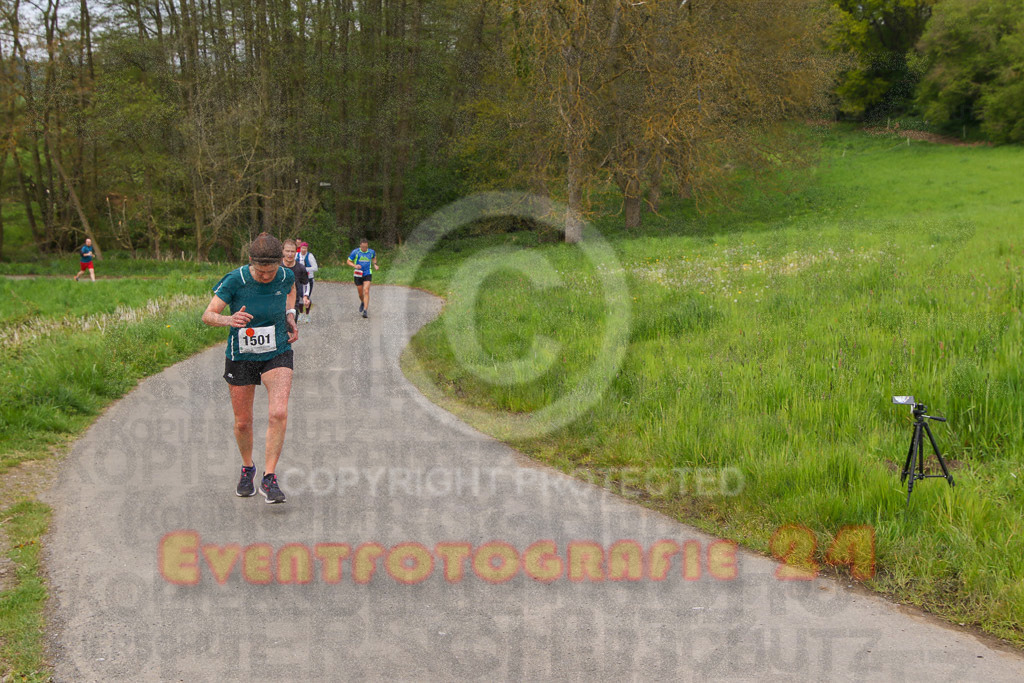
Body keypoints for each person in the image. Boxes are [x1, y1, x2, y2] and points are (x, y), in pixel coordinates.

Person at [202, 233, 298, 504]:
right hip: (241, 355)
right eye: (260, 271)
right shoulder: (236, 280)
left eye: (271, 270)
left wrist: (290, 316)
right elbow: (207, 315)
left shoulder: (285, 276)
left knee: (278, 412)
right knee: (243, 423)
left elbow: (291, 290)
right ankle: (248, 468)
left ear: (280, 262)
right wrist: (228, 320)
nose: (266, 276)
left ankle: (269, 477)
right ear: (250, 262)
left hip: (277, 351)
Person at [347, 238, 378, 319]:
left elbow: (374, 257)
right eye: (363, 247)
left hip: (367, 273)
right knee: (360, 293)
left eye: (366, 247)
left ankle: (365, 311)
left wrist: (375, 264)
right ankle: (362, 301)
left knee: (366, 291)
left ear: (367, 246)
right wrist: (354, 265)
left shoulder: (371, 252)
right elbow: (348, 261)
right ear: (360, 245)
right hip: (358, 274)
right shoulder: (355, 252)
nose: (364, 249)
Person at [282, 239, 310, 321]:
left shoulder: (301, 268)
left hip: (293, 305)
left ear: (296, 252)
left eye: (292, 251)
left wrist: (305, 296)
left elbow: (306, 283)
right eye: (287, 251)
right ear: (283, 251)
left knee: (290, 331)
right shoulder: (276, 267)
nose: (290, 254)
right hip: (277, 305)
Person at [297, 242, 318, 321]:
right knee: (299, 296)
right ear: (300, 248)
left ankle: (307, 314)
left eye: (305, 248)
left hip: (309, 279)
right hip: (299, 279)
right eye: (302, 248)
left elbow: (315, 268)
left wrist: (304, 269)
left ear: (307, 249)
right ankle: (301, 313)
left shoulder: (310, 256)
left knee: (307, 296)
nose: (303, 250)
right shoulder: (297, 255)